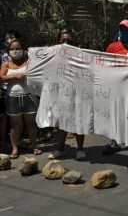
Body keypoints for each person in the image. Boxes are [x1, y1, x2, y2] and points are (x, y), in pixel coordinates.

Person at [48, 28, 86, 160]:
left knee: (78, 121)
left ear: (73, 41)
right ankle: (60, 149)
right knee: (60, 123)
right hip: (59, 93)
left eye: (69, 40)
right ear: (59, 40)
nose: (66, 42)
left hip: (78, 93)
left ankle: (80, 149)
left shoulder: (81, 54)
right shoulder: (52, 54)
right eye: (64, 40)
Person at [0, 39, 41, 157]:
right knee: (15, 125)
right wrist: (15, 76)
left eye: (17, 48)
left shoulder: (30, 62)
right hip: (13, 97)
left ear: (23, 50)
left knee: (31, 123)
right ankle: (14, 149)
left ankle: (34, 146)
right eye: (12, 49)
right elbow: (2, 77)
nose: (15, 51)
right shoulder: (6, 64)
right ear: (8, 51)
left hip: (29, 96)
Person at [103, 19, 128, 155]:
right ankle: (114, 143)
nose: (123, 32)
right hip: (115, 87)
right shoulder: (112, 47)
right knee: (115, 115)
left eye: (126, 30)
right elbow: (104, 64)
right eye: (121, 29)